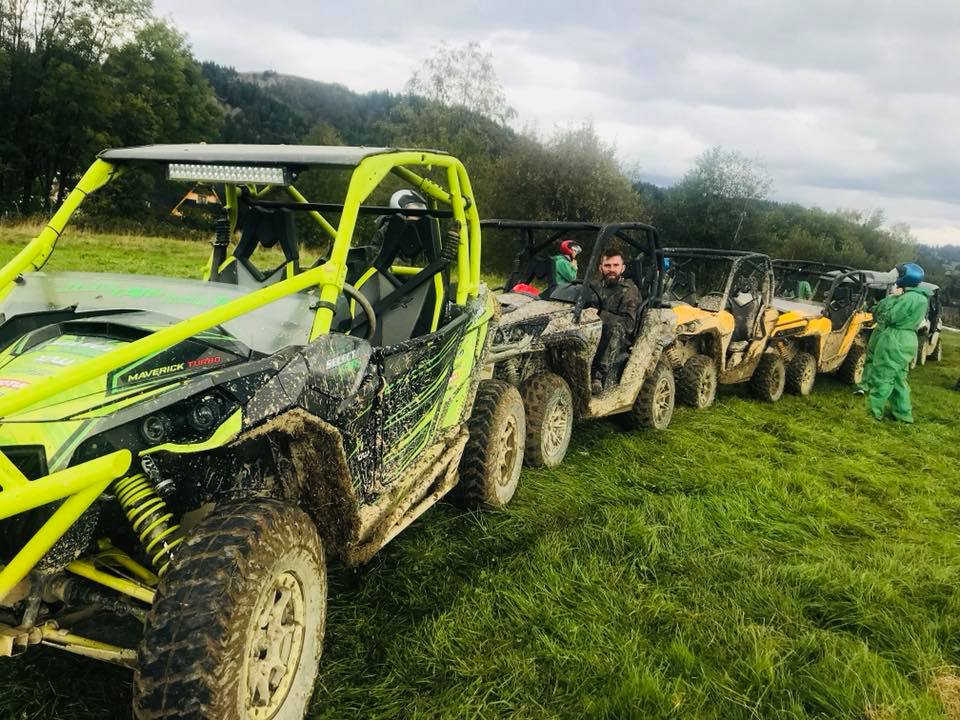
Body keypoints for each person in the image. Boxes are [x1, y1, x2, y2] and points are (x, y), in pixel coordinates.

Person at [860, 262, 929, 423]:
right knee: (899, 379)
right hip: (908, 339)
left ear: (906, 278)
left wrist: (891, 298)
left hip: (894, 338)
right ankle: (903, 414)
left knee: (882, 377)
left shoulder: (907, 298)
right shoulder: (921, 297)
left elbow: (887, 317)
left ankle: (872, 414)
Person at [589, 248, 640, 394]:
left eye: (616, 266)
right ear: (601, 268)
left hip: (618, 337)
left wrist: (599, 314)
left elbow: (628, 324)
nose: (612, 270)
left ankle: (598, 376)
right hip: (594, 330)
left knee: (614, 327)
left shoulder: (629, 290)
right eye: (608, 266)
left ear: (622, 268)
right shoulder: (594, 286)